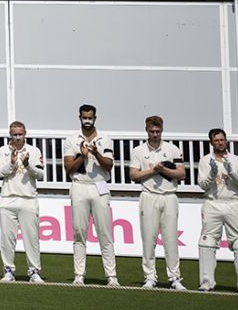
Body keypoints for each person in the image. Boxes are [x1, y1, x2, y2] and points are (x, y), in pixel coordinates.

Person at [63, 104, 118, 286]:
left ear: (95, 117)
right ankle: (79, 275)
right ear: (79, 117)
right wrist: (83, 156)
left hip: (99, 185)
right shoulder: (71, 139)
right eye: (84, 117)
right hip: (79, 185)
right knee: (79, 231)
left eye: (90, 118)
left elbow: (109, 165)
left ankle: (111, 276)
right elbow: (68, 167)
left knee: (105, 232)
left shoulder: (105, 139)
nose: (87, 121)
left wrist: (96, 153)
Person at [129, 114, 187, 290]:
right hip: (149, 196)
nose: (155, 134)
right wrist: (153, 170)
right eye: (152, 131)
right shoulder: (138, 151)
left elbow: (182, 174)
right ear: (146, 130)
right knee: (149, 238)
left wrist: (165, 171)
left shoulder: (173, 149)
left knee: (170, 239)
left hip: (169, 196)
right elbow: (133, 175)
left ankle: (175, 277)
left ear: (162, 130)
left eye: (158, 131)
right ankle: (150, 277)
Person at [197, 128, 238, 293]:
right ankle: (206, 283)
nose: (220, 143)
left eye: (222, 140)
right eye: (216, 141)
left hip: (233, 203)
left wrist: (232, 171)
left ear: (225, 141)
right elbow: (202, 185)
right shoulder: (205, 161)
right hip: (212, 203)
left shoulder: (237, 160)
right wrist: (212, 174)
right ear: (211, 142)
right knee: (207, 241)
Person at [0, 120, 45, 283]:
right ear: (10, 135)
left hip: (28, 198)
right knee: (7, 239)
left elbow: (41, 175)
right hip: (8, 198)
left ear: (25, 133)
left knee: (32, 238)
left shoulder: (34, 151)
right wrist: (11, 163)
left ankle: (34, 272)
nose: (17, 138)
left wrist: (27, 165)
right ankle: (8, 270)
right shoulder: (3, 151)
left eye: (20, 134)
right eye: (14, 135)